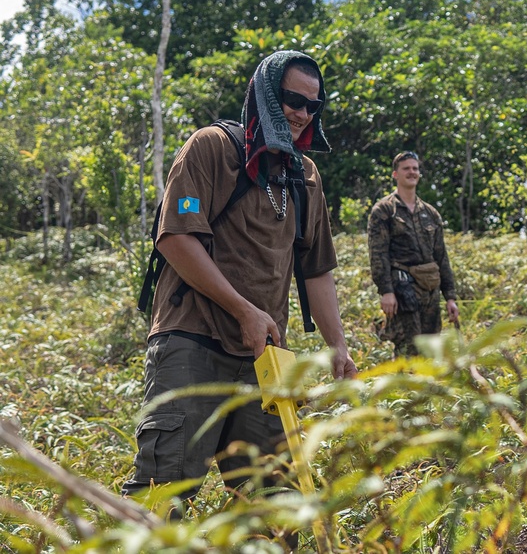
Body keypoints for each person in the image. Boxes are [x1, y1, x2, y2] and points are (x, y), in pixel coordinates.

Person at [122, 51, 357, 527]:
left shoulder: (305, 178)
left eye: (313, 106)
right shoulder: (211, 148)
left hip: (264, 358)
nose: (301, 114)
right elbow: (175, 238)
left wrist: (338, 345)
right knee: (163, 491)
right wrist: (242, 309)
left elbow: (316, 272)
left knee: (272, 501)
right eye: (293, 99)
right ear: (266, 94)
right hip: (191, 341)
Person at [367, 152, 460, 356]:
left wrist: (450, 297)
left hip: (431, 292)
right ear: (395, 174)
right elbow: (378, 254)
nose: (412, 172)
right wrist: (386, 291)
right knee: (408, 350)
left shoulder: (431, 213)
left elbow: (441, 257)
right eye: (406, 168)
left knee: (431, 349)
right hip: (402, 290)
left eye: (415, 168)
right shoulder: (384, 210)